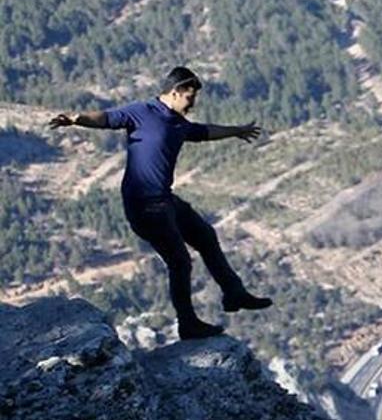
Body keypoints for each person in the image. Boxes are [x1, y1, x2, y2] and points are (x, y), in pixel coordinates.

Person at [48, 66, 272, 339]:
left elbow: (204, 132)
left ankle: (234, 293)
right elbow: (105, 118)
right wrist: (75, 118)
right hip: (144, 205)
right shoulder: (141, 112)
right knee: (179, 262)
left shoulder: (178, 122)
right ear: (175, 92)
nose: (193, 104)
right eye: (190, 97)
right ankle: (187, 324)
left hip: (165, 200)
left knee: (205, 236)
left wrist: (237, 130)